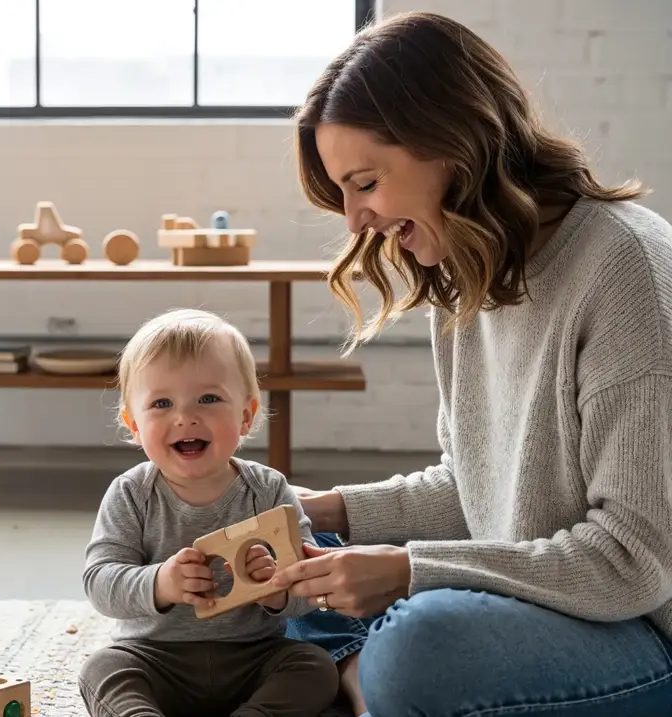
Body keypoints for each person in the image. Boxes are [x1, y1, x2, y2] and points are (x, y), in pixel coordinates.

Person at [267, 9, 672, 717]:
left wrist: (410, 571)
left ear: (449, 142)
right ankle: (368, 683)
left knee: (421, 647)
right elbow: (472, 487)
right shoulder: (467, 270)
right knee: (288, 564)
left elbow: (631, 561)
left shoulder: (624, 270)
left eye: (364, 182)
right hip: (523, 601)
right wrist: (320, 508)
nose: (355, 220)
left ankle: (364, 675)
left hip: (639, 634)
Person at [78, 308, 339, 717]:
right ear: (133, 424)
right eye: (161, 403)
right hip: (156, 656)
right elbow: (100, 581)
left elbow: (307, 582)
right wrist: (160, 582)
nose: (185, 416)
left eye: (209, 398)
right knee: (102, 668)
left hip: (253, 656)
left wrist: (277, 590)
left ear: (246, 416)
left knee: (315, 668)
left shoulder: (269, 489)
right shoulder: (131, 493)